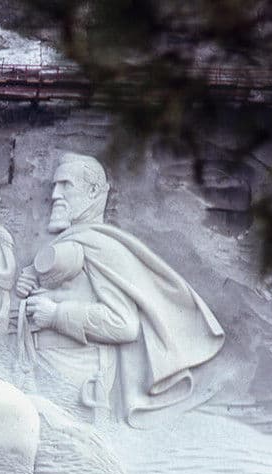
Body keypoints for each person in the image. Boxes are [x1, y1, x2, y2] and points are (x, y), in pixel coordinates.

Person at [16, 152, 225, 425]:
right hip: (38, 367)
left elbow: (124, 324)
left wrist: (57, 314)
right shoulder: (72, 241)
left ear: (93, 191)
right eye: (54, 186)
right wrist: (29, 282)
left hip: (75, 381)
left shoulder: (104, 247)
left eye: (65, 185)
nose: (55, 194)